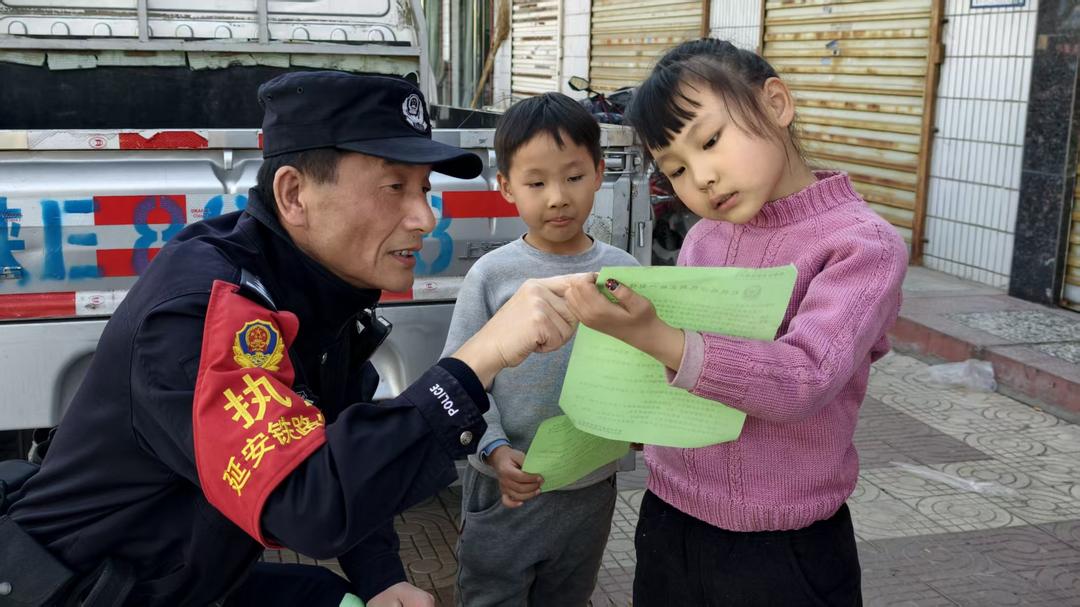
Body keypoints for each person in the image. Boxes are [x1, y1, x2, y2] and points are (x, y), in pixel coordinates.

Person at [6, 71, 581, 607]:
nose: (424, 218)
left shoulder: (319, 293)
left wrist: (383, 578)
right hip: (85, 588)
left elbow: (336, 443)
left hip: (182, 572)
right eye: (393, 187)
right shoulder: (206, 308)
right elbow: (304, 502)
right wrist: (474, 360)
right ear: (294, 195)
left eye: (424, 189)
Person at [565, 39, 908, 606]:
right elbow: (680, 369)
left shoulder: (860, 245)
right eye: (675, 168)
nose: (701, 177)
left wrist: (657, 336)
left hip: (783, 544)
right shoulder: (705, 236)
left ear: (775, 103)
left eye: (711, 140)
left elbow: (804, 378)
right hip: (669, 516)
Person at [442, 93, 638, 607]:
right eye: (536, 183)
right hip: (507, 485)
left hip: (590, 488)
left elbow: (642, 371)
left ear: (599, 172)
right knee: (492, 596)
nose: (557, 197)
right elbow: (458, 378)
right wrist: (493, 449)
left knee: (569, 596)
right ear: (506, 187)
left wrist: (642, 427)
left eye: (573, 177)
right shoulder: (492, 275)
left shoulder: (624, 273)